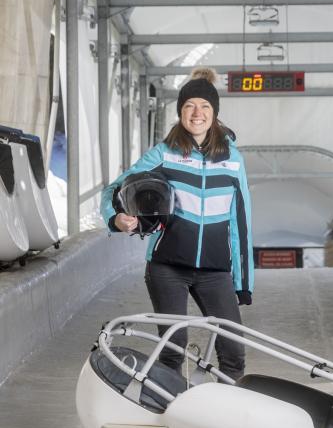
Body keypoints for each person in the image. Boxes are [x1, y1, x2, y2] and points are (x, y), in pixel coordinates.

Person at [100, 67, 254, 381]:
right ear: (181, 112)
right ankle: (167, 412)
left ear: (215, 114)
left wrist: (243, 281)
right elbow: (114, 191)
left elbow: (242, 222)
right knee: (173, 348)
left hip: (214, 270)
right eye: (189, 107)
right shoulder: (163, 154)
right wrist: (116, 219)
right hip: (167, 267)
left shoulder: (233, 160)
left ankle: (229, 418)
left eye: (205, 107)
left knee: (234, 351)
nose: (197, 113)